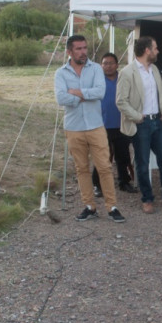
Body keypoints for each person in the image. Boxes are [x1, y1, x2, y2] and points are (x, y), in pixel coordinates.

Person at [55, 36, 126, 223]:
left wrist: (76, 92)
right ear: (69, 52)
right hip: (74, 127)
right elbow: (61, 99)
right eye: (78, 48)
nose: (83, 52)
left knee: (104, 167)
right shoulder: (60, 73)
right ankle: (89, 206)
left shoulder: (95, 68)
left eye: (85, 48)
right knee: (81, 168)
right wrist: (86, 94)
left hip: (95, 126)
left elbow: (100, 93)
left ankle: (112, 206)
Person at [116, 36, 162, 214]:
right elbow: (121, 101)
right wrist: (137, 117)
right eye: (155, 48)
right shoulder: (127, 72)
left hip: (158, 122)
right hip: (142, 123)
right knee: (142, 163)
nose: (158, 51)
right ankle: (147, 199)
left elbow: (161, 94)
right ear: (147, 50)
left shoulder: (154, 69)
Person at [92, 53, 136, 194]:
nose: (108, 66)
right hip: (102, 124)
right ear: (101, 66)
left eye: (111, 63)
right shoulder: (97, 81)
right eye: (105, 63)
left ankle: (124, 182)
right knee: (102, 157)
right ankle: (97, 185)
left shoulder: (124, 78)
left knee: (122, 156)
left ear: (117, 65)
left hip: (121, 123)